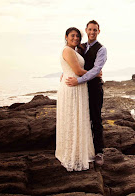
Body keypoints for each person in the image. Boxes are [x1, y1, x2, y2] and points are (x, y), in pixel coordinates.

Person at [65, 20, 107, 166]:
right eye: (90, 30)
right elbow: (72, 62)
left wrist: (80, 79)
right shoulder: (80, 47)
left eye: (95, 30)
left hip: (94, 88)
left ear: (98, 32)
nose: (92, 32)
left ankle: (99, 152)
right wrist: (65, 73)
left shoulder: (102, 50)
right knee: (81, 118)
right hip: (80, 90)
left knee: (96, 119)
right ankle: (82, 149)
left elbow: (97, 70)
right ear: (86, 30)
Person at [55, 27, 95, 171]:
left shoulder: (73, 51)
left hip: (77, 86)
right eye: (72, 36)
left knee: (76, 118)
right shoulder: (67, 50)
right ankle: (71, 155)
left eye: (78, 36)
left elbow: (72, 68)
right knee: (72, 118)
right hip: (72, 87)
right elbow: (77, 71)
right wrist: (95, 73)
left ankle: (77, 152)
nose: (76, 38)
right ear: (66, 36)